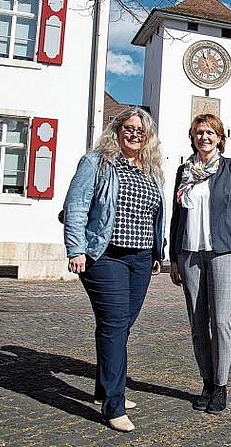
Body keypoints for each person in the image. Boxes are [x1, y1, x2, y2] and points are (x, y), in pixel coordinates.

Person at [62, 107, 165, 432]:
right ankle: (113, 405)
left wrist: (157, 252)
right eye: (129, 128)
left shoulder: (151, 169)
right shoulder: (97, 162)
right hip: (104, 256)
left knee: (121, 326)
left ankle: (104, 388)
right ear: (117, 130)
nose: (135, 134)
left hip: (141, 259)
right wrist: (76, 248)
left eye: (141, 130)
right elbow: (77, 204)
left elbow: (154, 214)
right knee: (115, 325)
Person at [169, 113, 231, 415]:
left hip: (223, 252)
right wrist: (173, 256)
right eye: (199, 132)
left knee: (220, 321)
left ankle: (222, 384)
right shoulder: (184, 171)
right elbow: (177, 217)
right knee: (197, 323)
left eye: (210, 133)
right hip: (189, 253)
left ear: (219, 138)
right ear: (192, 137)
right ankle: (206, 381)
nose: (204, 137)